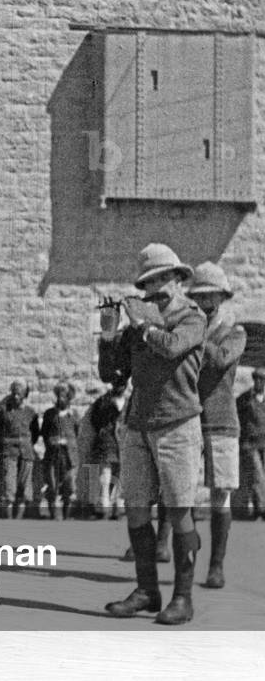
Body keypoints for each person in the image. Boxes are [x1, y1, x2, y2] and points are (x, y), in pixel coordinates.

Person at [99, 243, 205, 625]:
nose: (154, 289)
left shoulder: (190, 317)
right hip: (138, 424)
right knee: (137, 509)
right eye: (148, 283)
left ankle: (182, 597)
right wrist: (109, 336)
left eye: (161, 280)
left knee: (180, 512)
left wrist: (144, 325)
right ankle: (146, 590)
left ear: (178, 280)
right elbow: (111, 375)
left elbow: (174, 346)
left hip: (178, 424)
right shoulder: (140, 324)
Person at [187, 262, 246, 589]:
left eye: (211, 296)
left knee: (220, 493)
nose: (206, 302)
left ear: (221, 298)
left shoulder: (235, 332)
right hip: (188, 417)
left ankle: (216, 566)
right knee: (181, 490)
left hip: (222, 420)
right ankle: (184, 561)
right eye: (200, 296)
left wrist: (195, 337)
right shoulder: (191, 328)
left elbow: (222, 358)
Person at [0, 381, 38, 519]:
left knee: (24, 487)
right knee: (9, 487)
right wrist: (3, 446)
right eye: (14, 393)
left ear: (25, 395)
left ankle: (19, 519)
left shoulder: (31, 413)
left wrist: (27, 444)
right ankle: (7, 519)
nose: (16, 396)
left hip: (26, 453)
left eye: (19, 394)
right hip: (9, 453)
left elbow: (35, 433)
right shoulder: (3, 411)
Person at [34, 382, 79, 520]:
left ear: (69, 398)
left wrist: (68, 442)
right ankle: (53, 514)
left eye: (64, 396)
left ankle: (66, 514)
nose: (61, 399)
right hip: (53, 455)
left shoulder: (74, 415)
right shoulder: (49, 414)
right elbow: (44, 433)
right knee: (52, 484)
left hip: (69, 456)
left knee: (69, 485)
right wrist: (52, 441)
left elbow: (78, 433)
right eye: (59, 396)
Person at [87, 373, 128, 519]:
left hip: (124, 442)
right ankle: (103, 507)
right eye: (117, 383)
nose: (120, 386)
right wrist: (104, 432)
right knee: (105, 477)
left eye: (122, 384)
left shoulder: (130, 402)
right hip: (107, 441)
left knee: (122, 477)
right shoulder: (102, 401)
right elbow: (95, 420)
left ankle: (118, 507)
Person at [237, 367, 265, 519]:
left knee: (259, 478)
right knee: (257, 475)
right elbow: (238, 419)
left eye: (262, 379)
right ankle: (261, 509)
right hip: (250, 443)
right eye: (257, 378)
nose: (259, 382)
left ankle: (257, 509)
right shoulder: (245, 399)